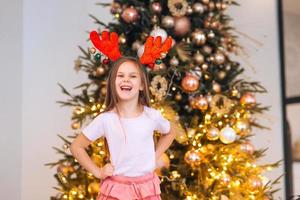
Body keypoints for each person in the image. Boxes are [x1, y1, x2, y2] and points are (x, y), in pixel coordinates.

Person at [70, 56, 176, 200]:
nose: (126, 79)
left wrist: (155, 155)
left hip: (147, 190)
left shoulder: (152, 116)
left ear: (142, 85)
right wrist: (98, 172)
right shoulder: (106, 119)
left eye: (132, 76)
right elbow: (76, 147)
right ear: (113, 83)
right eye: (120, 76)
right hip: (117, 191)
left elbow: (170, 132)